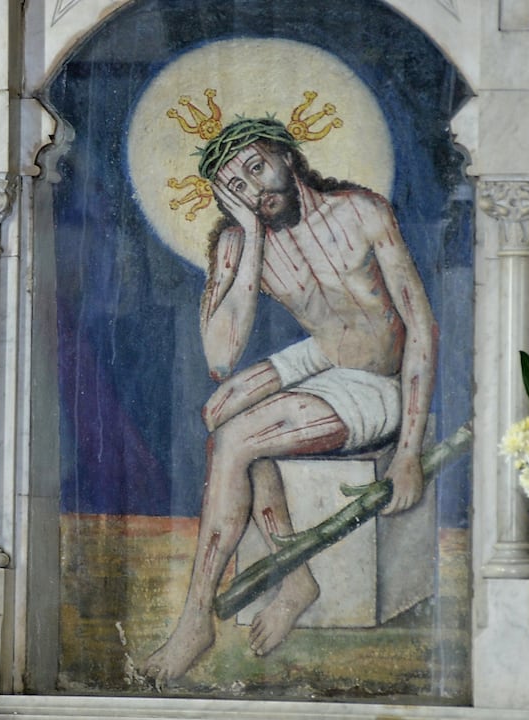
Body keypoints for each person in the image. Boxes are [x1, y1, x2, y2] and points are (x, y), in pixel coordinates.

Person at [142, 117, 437, 683]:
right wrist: (250, 237)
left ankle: (195, 618)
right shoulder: (238, 240)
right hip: (322, 355)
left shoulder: (361, 212)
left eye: (257, 168)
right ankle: (296, 574)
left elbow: (420, 325)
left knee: (235, 439)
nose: (255, 191)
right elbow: (221, 357)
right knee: (217, 410)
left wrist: (408, 450)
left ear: (286, 155)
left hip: (378, 379)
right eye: (237, 187)